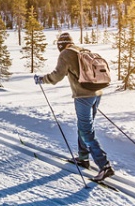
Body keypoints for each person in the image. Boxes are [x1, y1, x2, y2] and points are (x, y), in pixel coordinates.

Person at [34, 32, 114, 182]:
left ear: (60, 45)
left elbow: (57, 76)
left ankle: (104, 166)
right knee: (83, 127)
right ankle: (83, 157)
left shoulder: (66, 54)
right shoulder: (82, 50)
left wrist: (41, 79)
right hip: (96, 94)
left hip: (83, 97)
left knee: (85, 130)